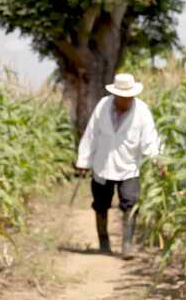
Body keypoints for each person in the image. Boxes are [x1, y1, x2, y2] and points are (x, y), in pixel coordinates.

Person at [75, 73, 160, 259]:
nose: (127, 100)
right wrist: (83, 161)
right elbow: (91, 134)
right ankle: (103, 242)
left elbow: (150, 140)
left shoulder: (142, 111)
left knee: (130, 203)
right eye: (123, 97)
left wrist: (157, 160)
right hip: (103, 164)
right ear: (116, 95)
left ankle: (127, 245)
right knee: (101, 204)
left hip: (129, 166)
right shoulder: (103, 106)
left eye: (130, 97)